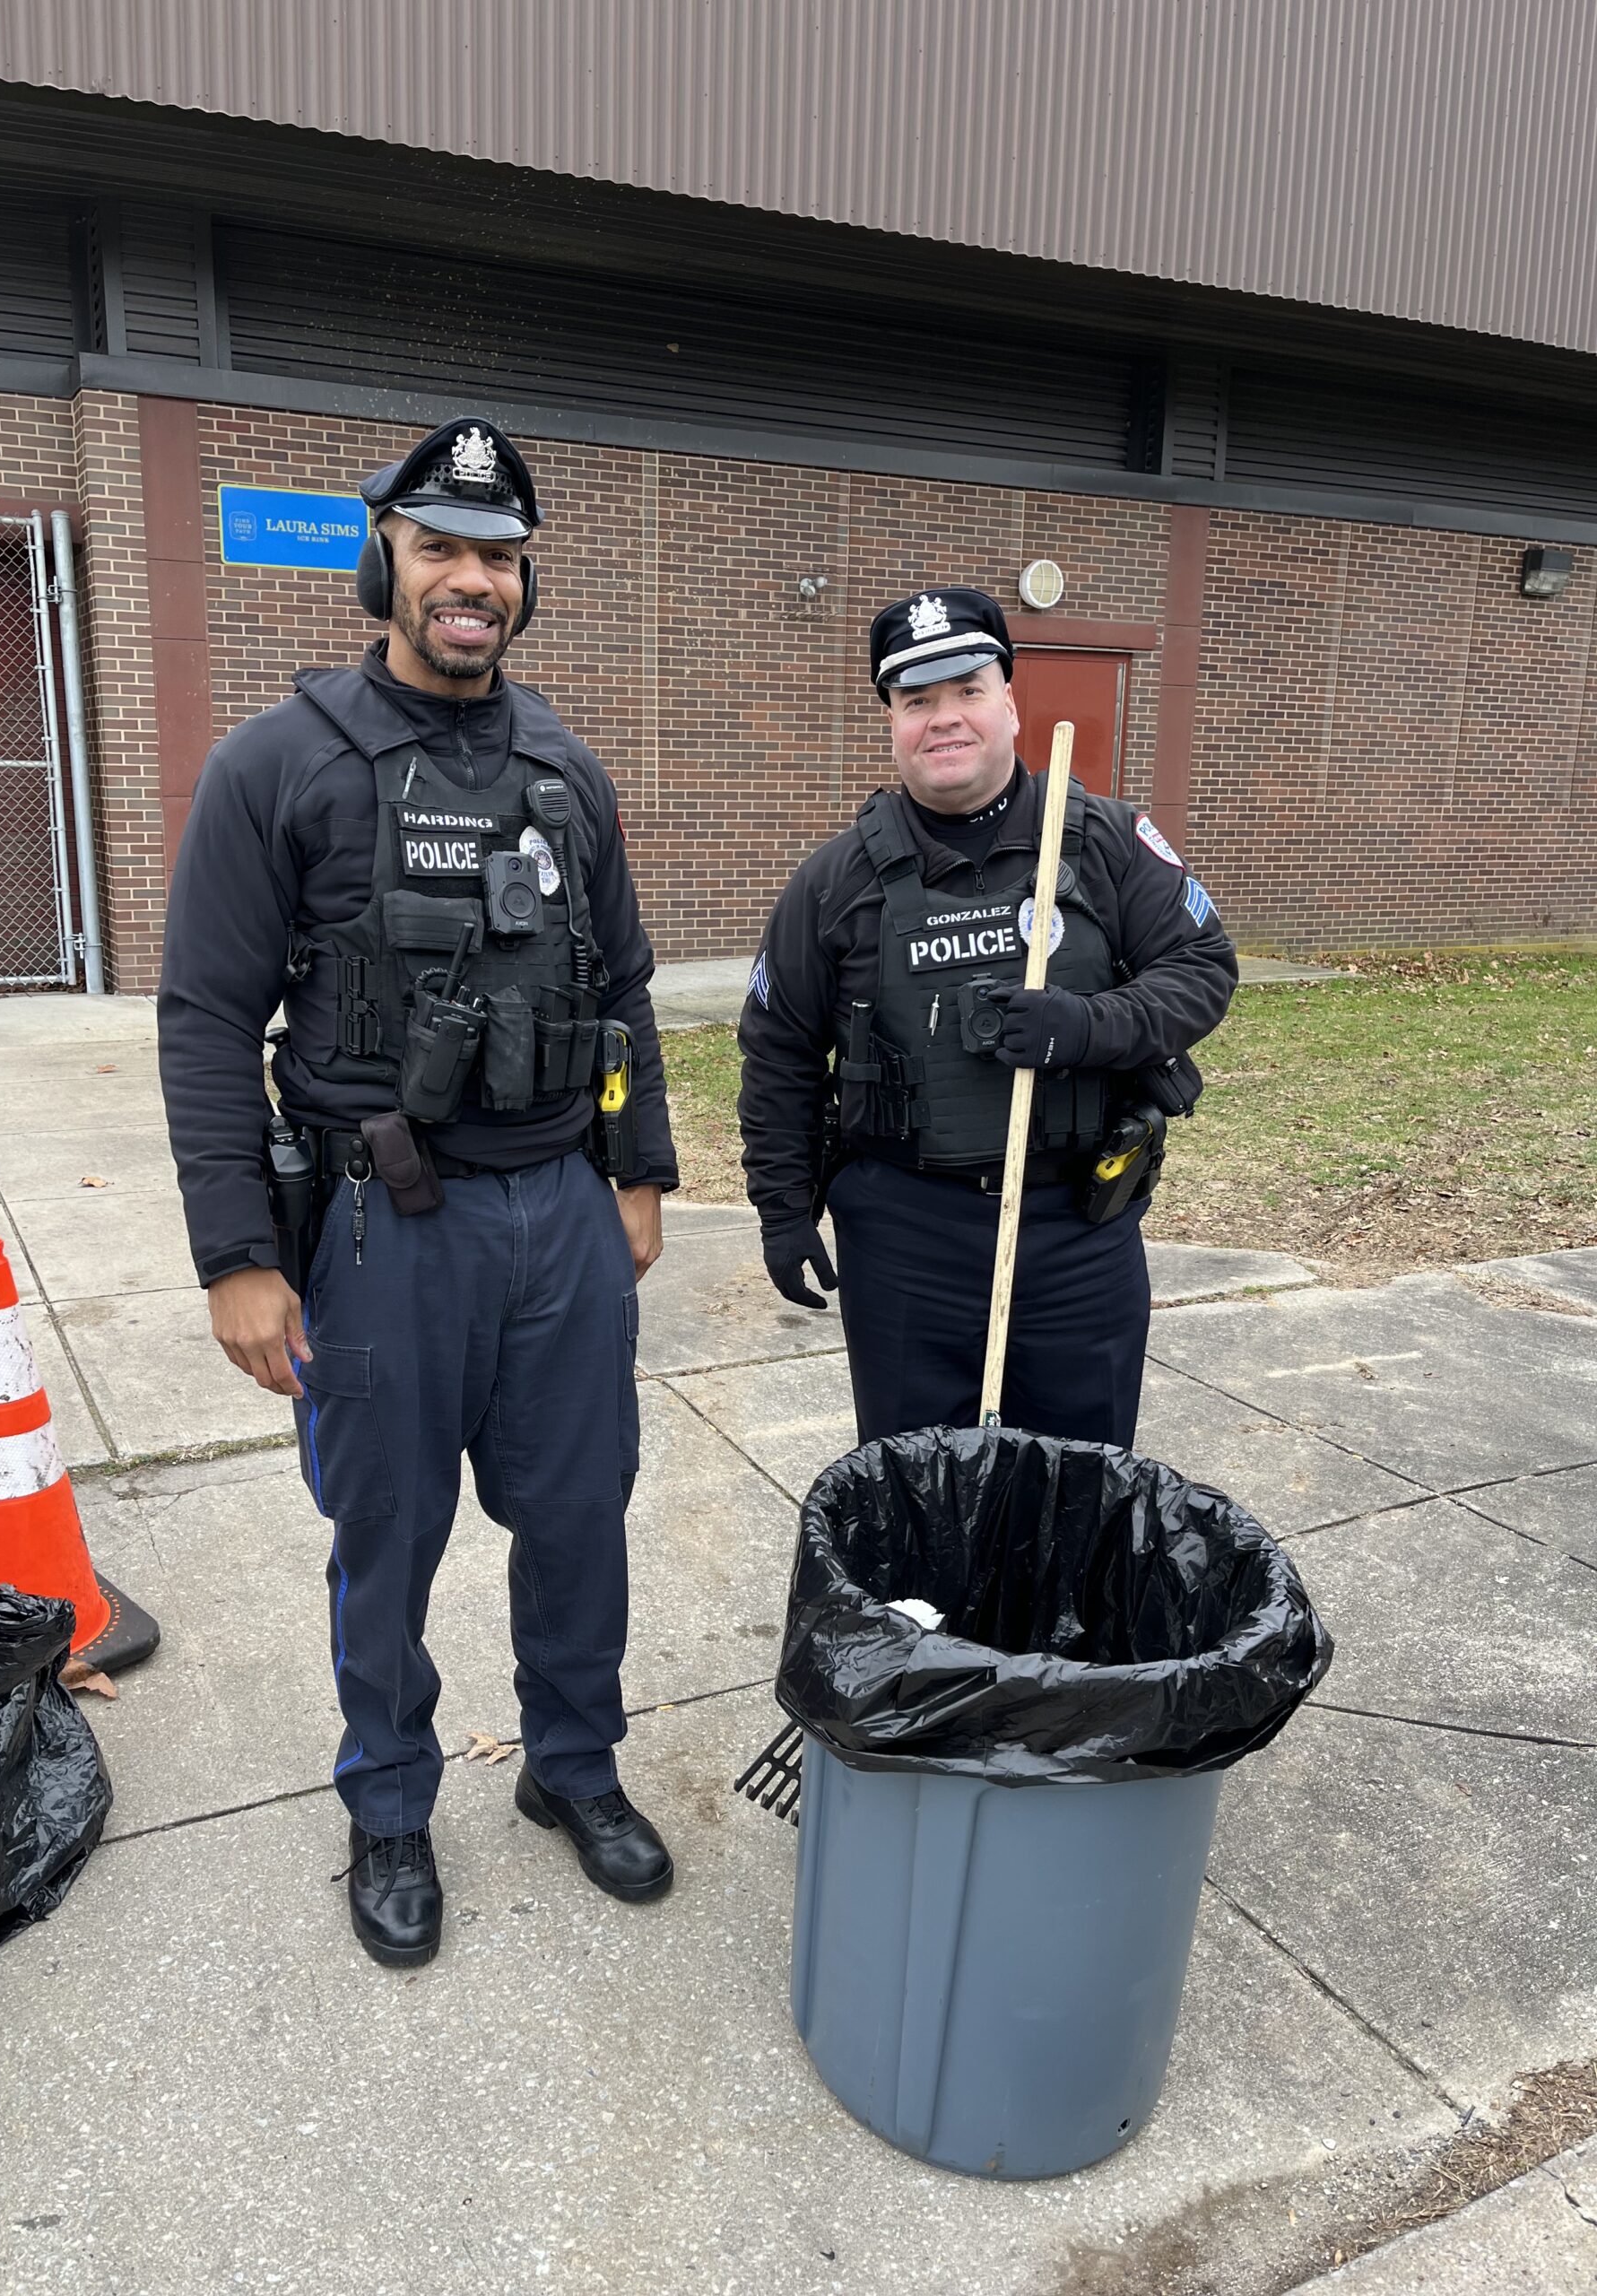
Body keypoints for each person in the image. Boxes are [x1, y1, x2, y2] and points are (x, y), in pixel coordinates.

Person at [158, 419, 679, 1969]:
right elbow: (203, 1015)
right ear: (386, 558)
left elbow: (626, 985)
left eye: (501, 556)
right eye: (444, 548)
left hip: (559, 1218)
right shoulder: (279, 762)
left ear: (525, 582)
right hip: (385, 1224)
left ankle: (571, 1768)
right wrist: (237, 1252)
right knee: (387, 1531)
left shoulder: (565, 770)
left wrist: (639, 1170)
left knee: (582, 1517)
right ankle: (388, 1800)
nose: (474, 581)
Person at [738, 586, 1238, 1448]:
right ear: (890, 718)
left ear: (1010, 700)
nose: (945, 719)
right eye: (916, 700)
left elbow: (1202, 967)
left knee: (1081, 1489)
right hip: (904, 1238)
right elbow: (778, 1052)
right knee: (914, 1496)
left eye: (968, 690)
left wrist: (1085, 1027)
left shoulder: (1107, 839)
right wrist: (783, 1211)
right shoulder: (834, 881)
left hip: (1077, 1227)